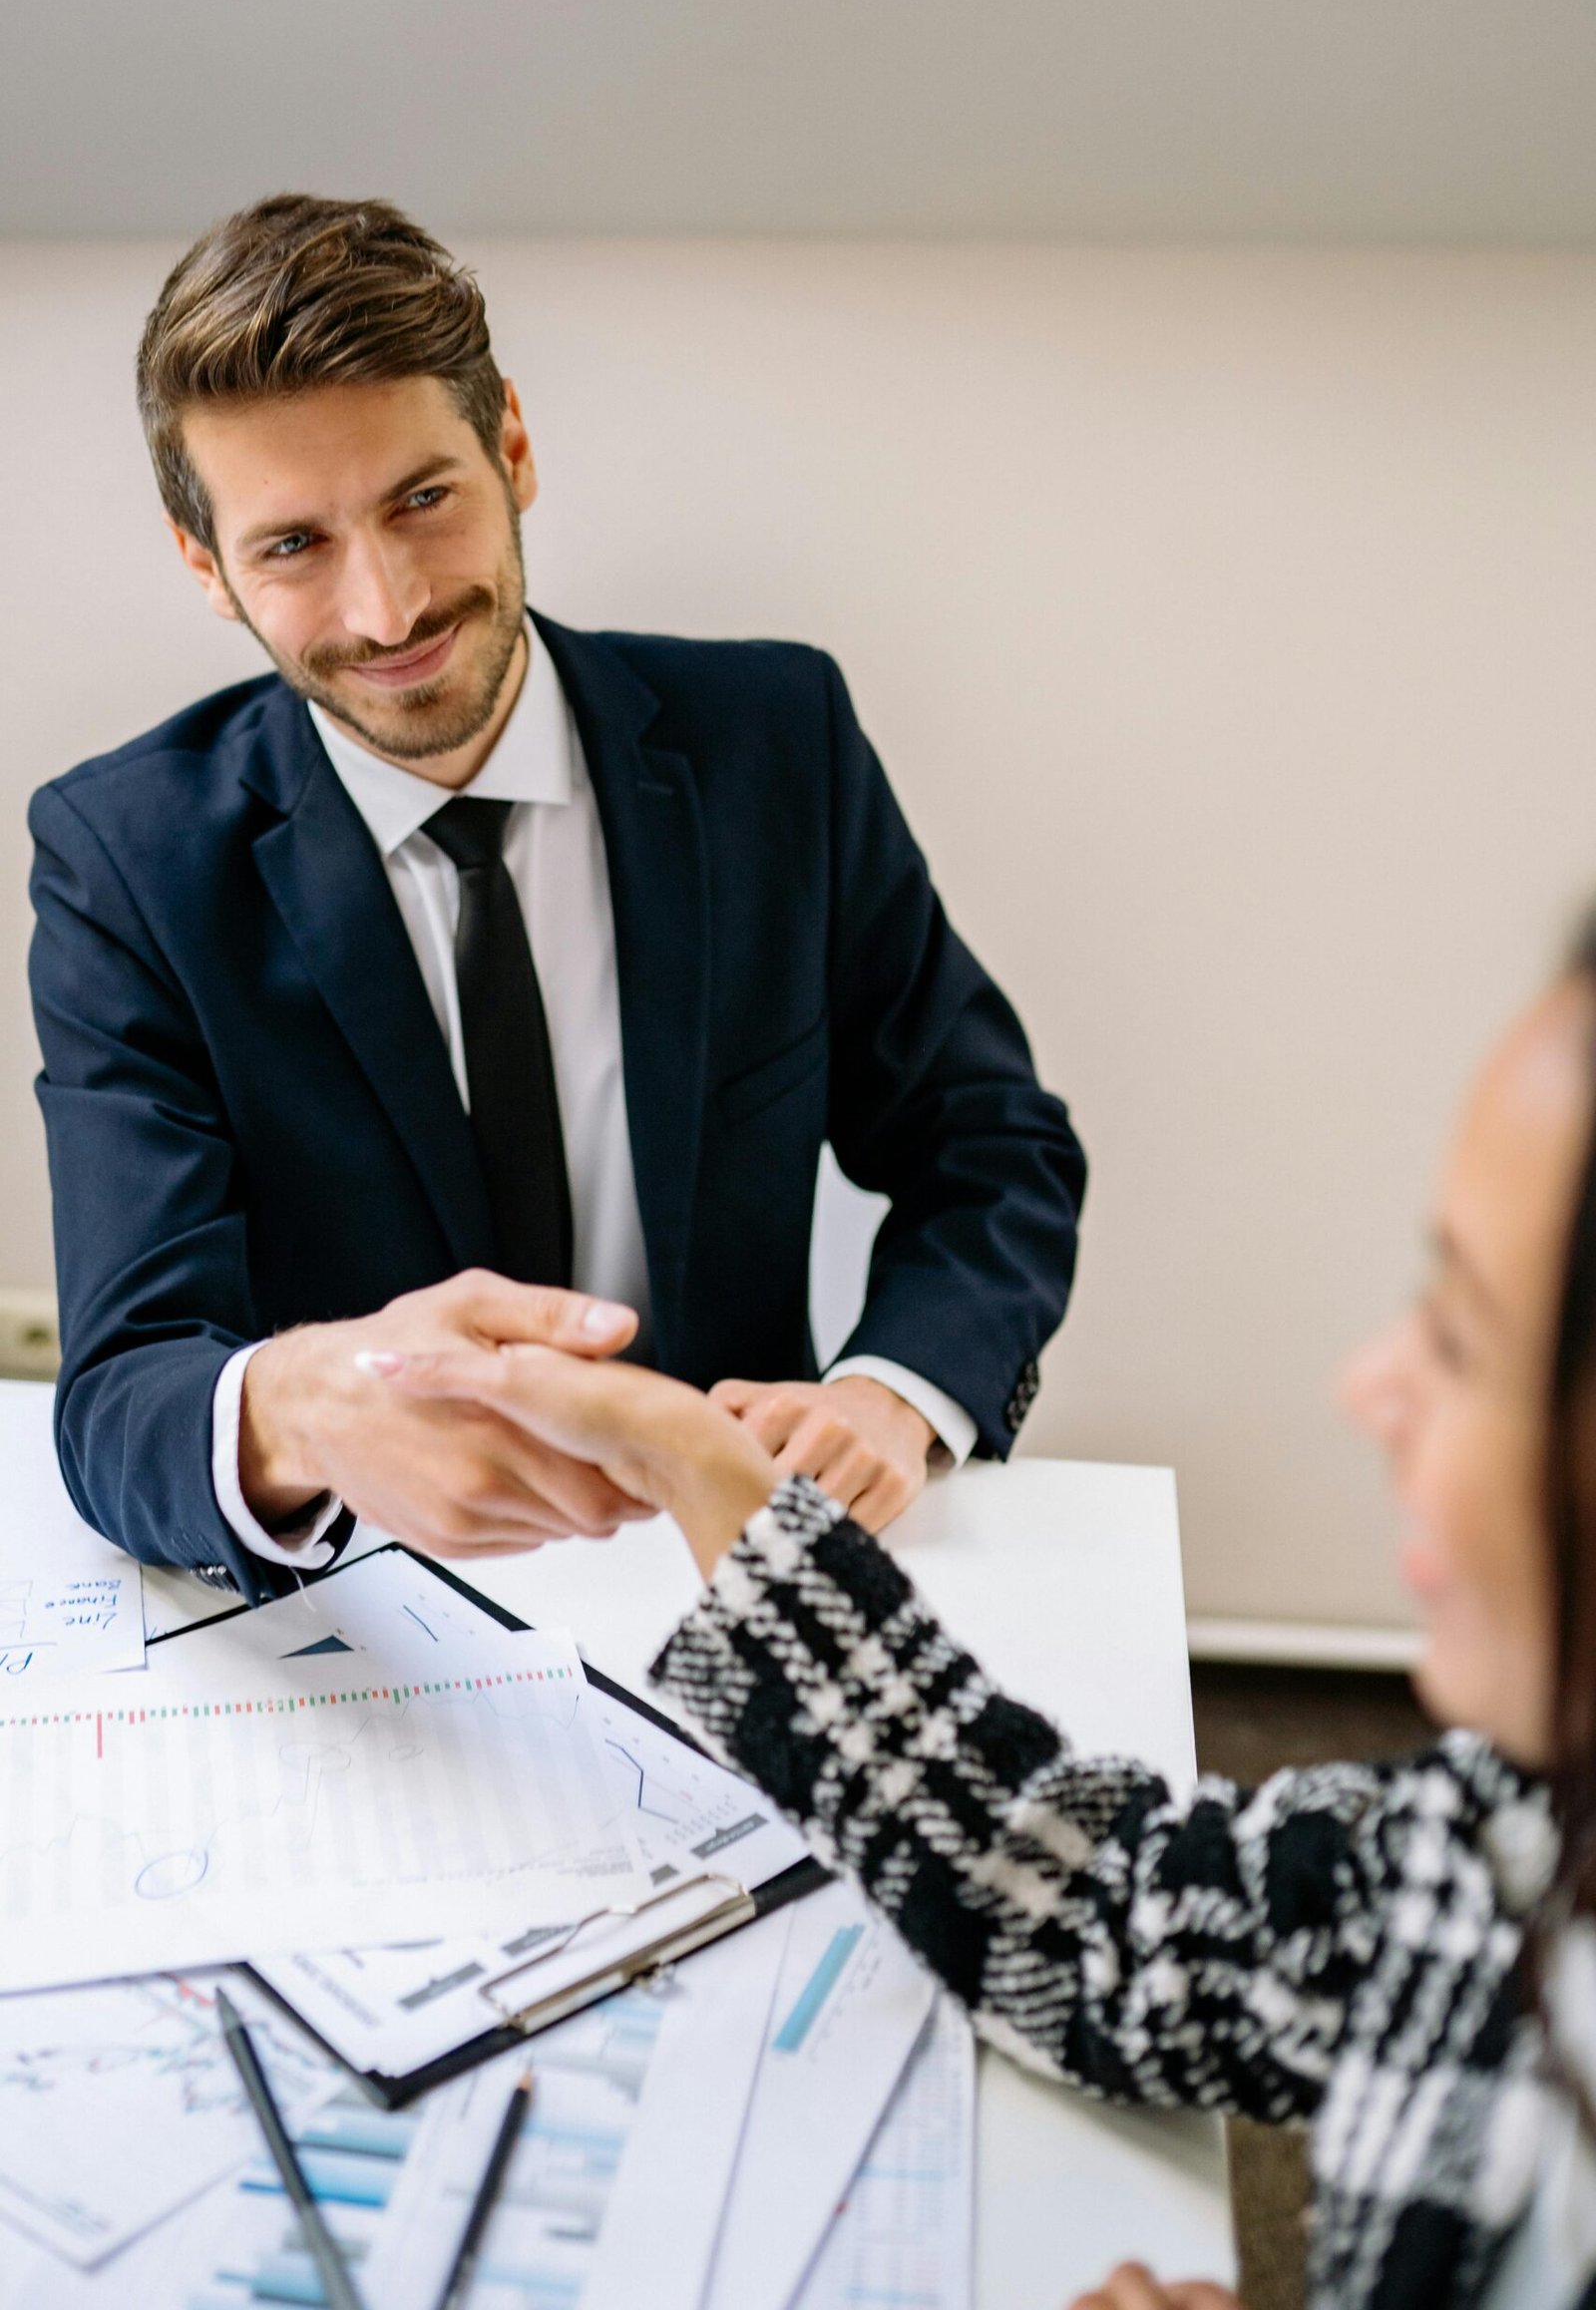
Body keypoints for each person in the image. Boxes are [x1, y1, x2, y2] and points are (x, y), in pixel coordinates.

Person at [358, 918, 1596, 2308]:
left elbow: (990, 1140)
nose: (1371, 1389)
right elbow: (1100, 1920)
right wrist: (721, 1492)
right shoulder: (1508, 1840)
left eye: (1470, 1338)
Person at [27, 192, 1084, 1601]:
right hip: (362, 1609)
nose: (387, 609)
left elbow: (990, 1144)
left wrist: (896, 1390)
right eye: (293, 546)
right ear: (203, 563)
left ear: (511, 446)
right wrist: (304, 1405)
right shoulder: (126, 859)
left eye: (424, 500)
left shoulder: (781, 739)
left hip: (728, 1556)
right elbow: (119, 1395)